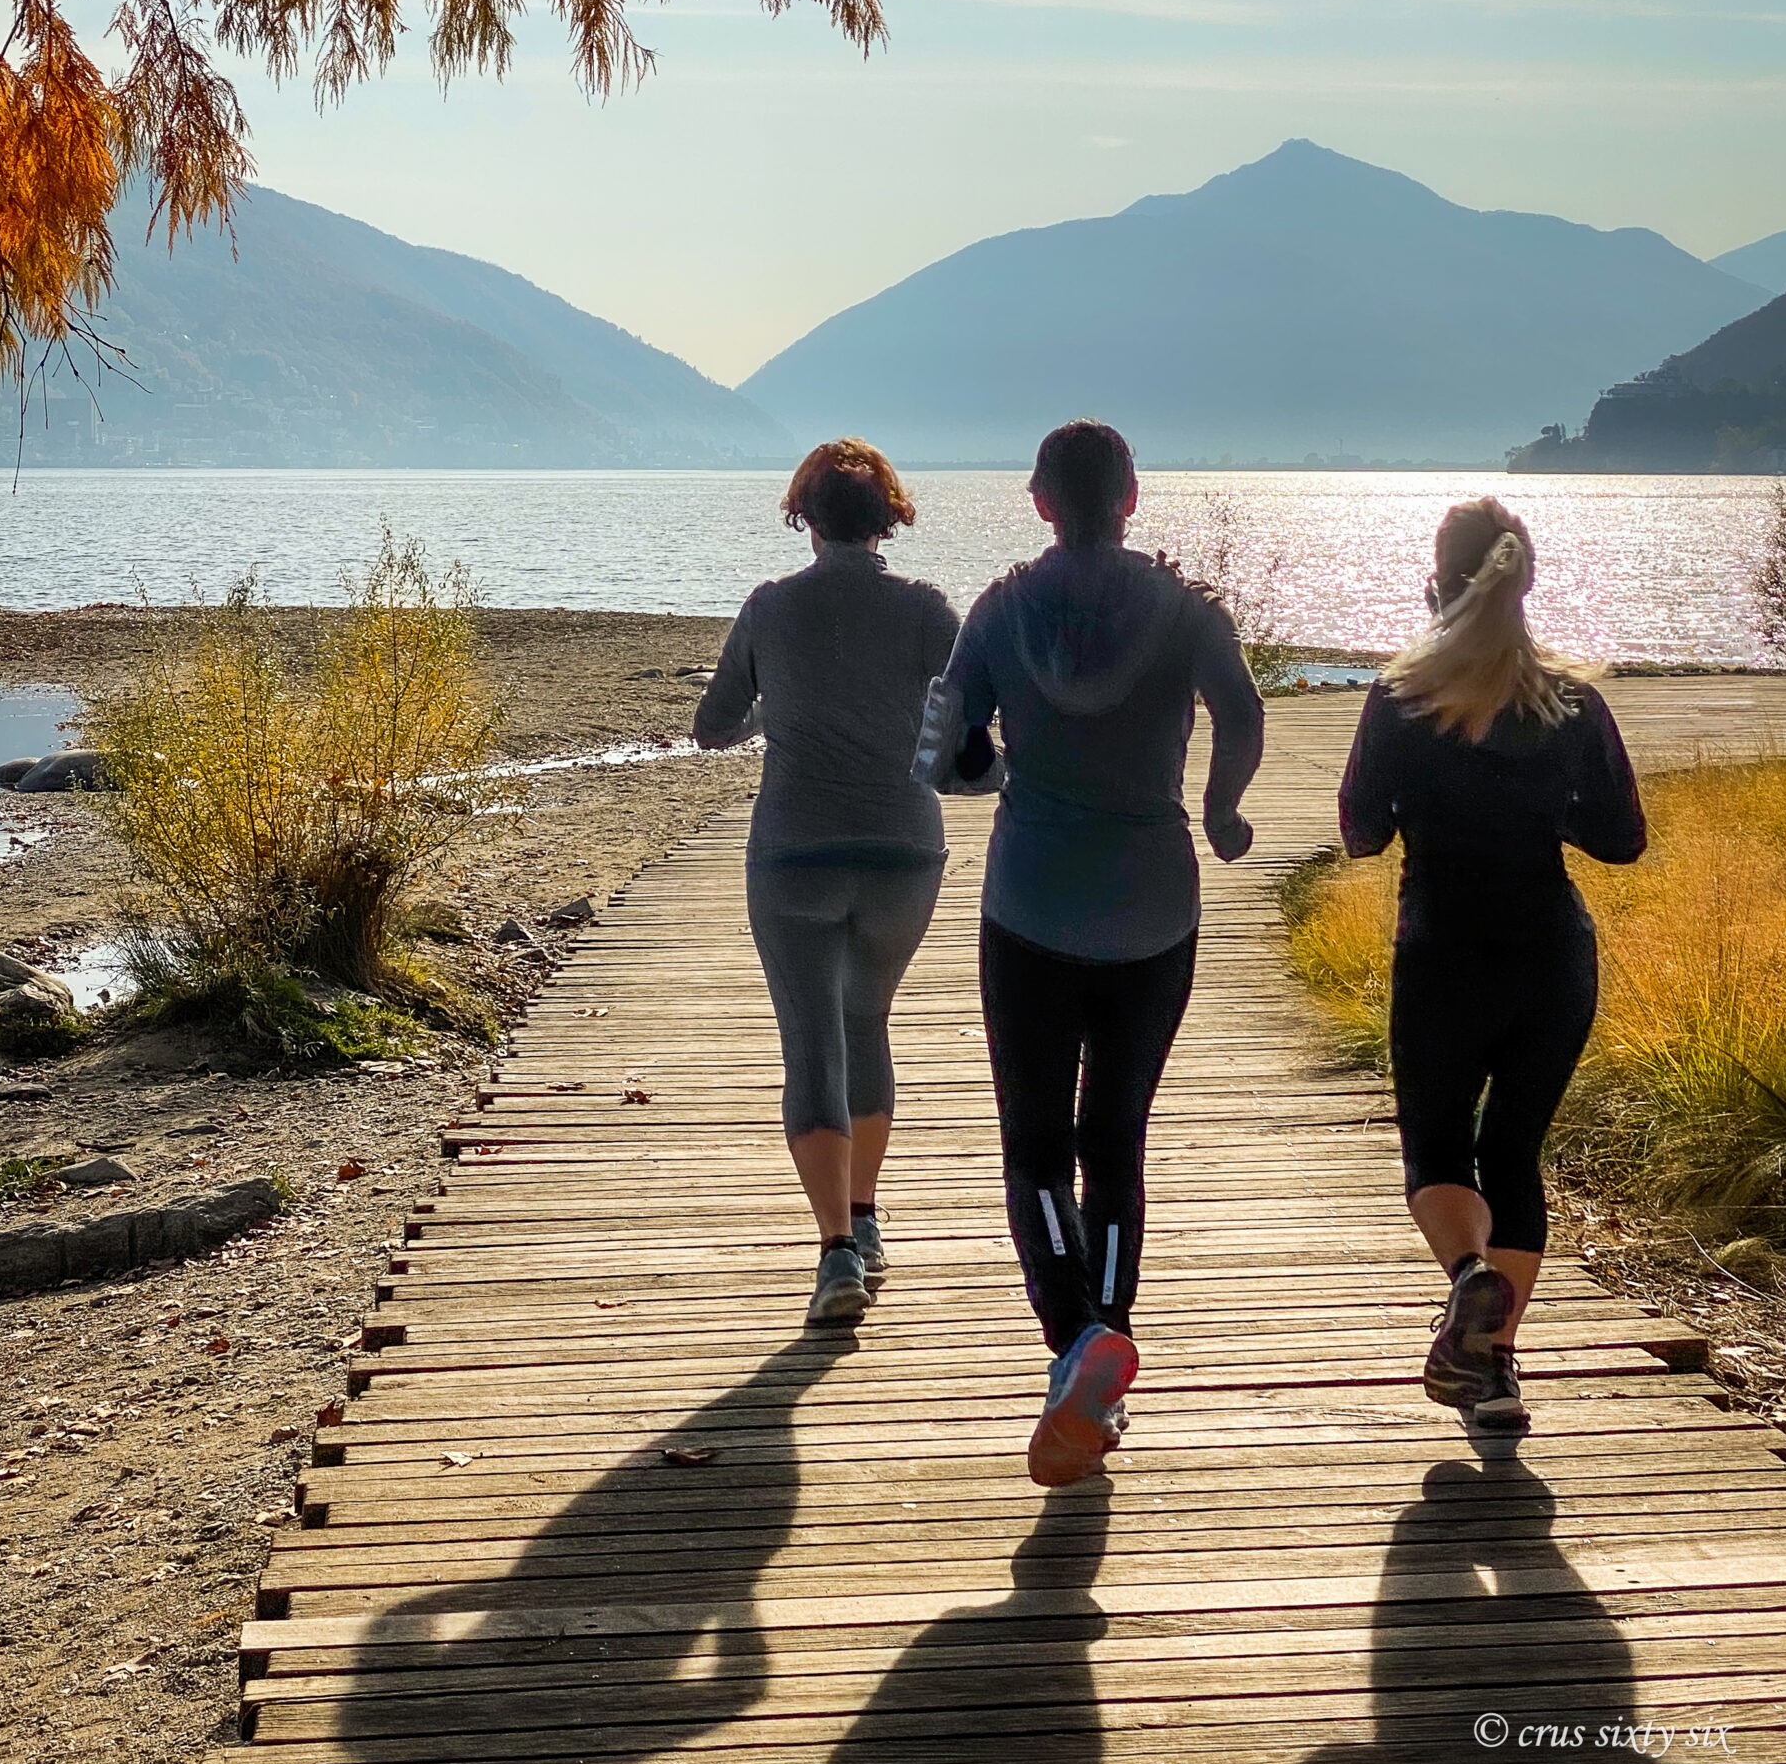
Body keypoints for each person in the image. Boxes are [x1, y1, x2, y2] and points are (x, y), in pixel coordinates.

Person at [914, 419, 1264, 1486]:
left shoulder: (1003, 607)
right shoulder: (1185, 607)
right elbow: (1243, 710)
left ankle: (1077, 1340)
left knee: (1034, 1148)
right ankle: (1103, 1331)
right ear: (1131, 496)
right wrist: (1219, 807)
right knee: (1116, 1142)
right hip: (1155, 904)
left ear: (1037, 501)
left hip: (1030, 905)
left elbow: (947, 750)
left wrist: (986, 757)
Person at [1337, 497, 1647, 1437]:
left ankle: (1470, 1281)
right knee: (1513, 1152)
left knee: (1435, 1144)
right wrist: (1547, 809)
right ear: (1527, 585)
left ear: (1433, 584)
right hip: (1552, 958)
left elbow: (1358, 832)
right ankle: (1496, 1371)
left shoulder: (1401, 697)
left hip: (1442, 954)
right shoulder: (1570, 700)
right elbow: (1622, 839)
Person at [694, 439, 961, 1326]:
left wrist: (779, 712)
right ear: (888, 516)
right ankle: (868, 1218)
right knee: (867, 1024)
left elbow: (711, 728)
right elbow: (959, 738)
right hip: (904, 852)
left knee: (812, 1042)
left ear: (803, 516)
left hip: (794, 854)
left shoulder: (771, 608)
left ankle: (836, 1254)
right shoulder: (927, 610)